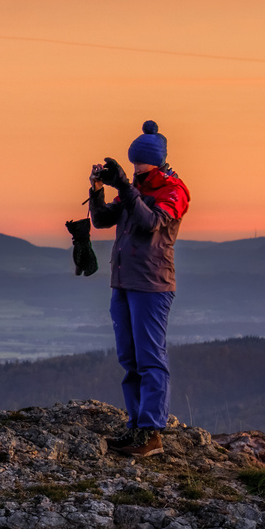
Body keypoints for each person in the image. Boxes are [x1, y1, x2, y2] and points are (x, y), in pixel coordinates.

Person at [89, 120, 191, 458]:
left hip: (151, 284)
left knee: (150, 358)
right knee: (129, 358)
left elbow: (150, 223)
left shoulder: (174, 191)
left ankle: (151, 433)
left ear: (156, 160)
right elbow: (103, 220)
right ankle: (136, 426)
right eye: (132, 164)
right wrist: (97, 191)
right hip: (123, 282)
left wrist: (126, 188)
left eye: (140, 163)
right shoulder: (137, 189)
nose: (135, 169)